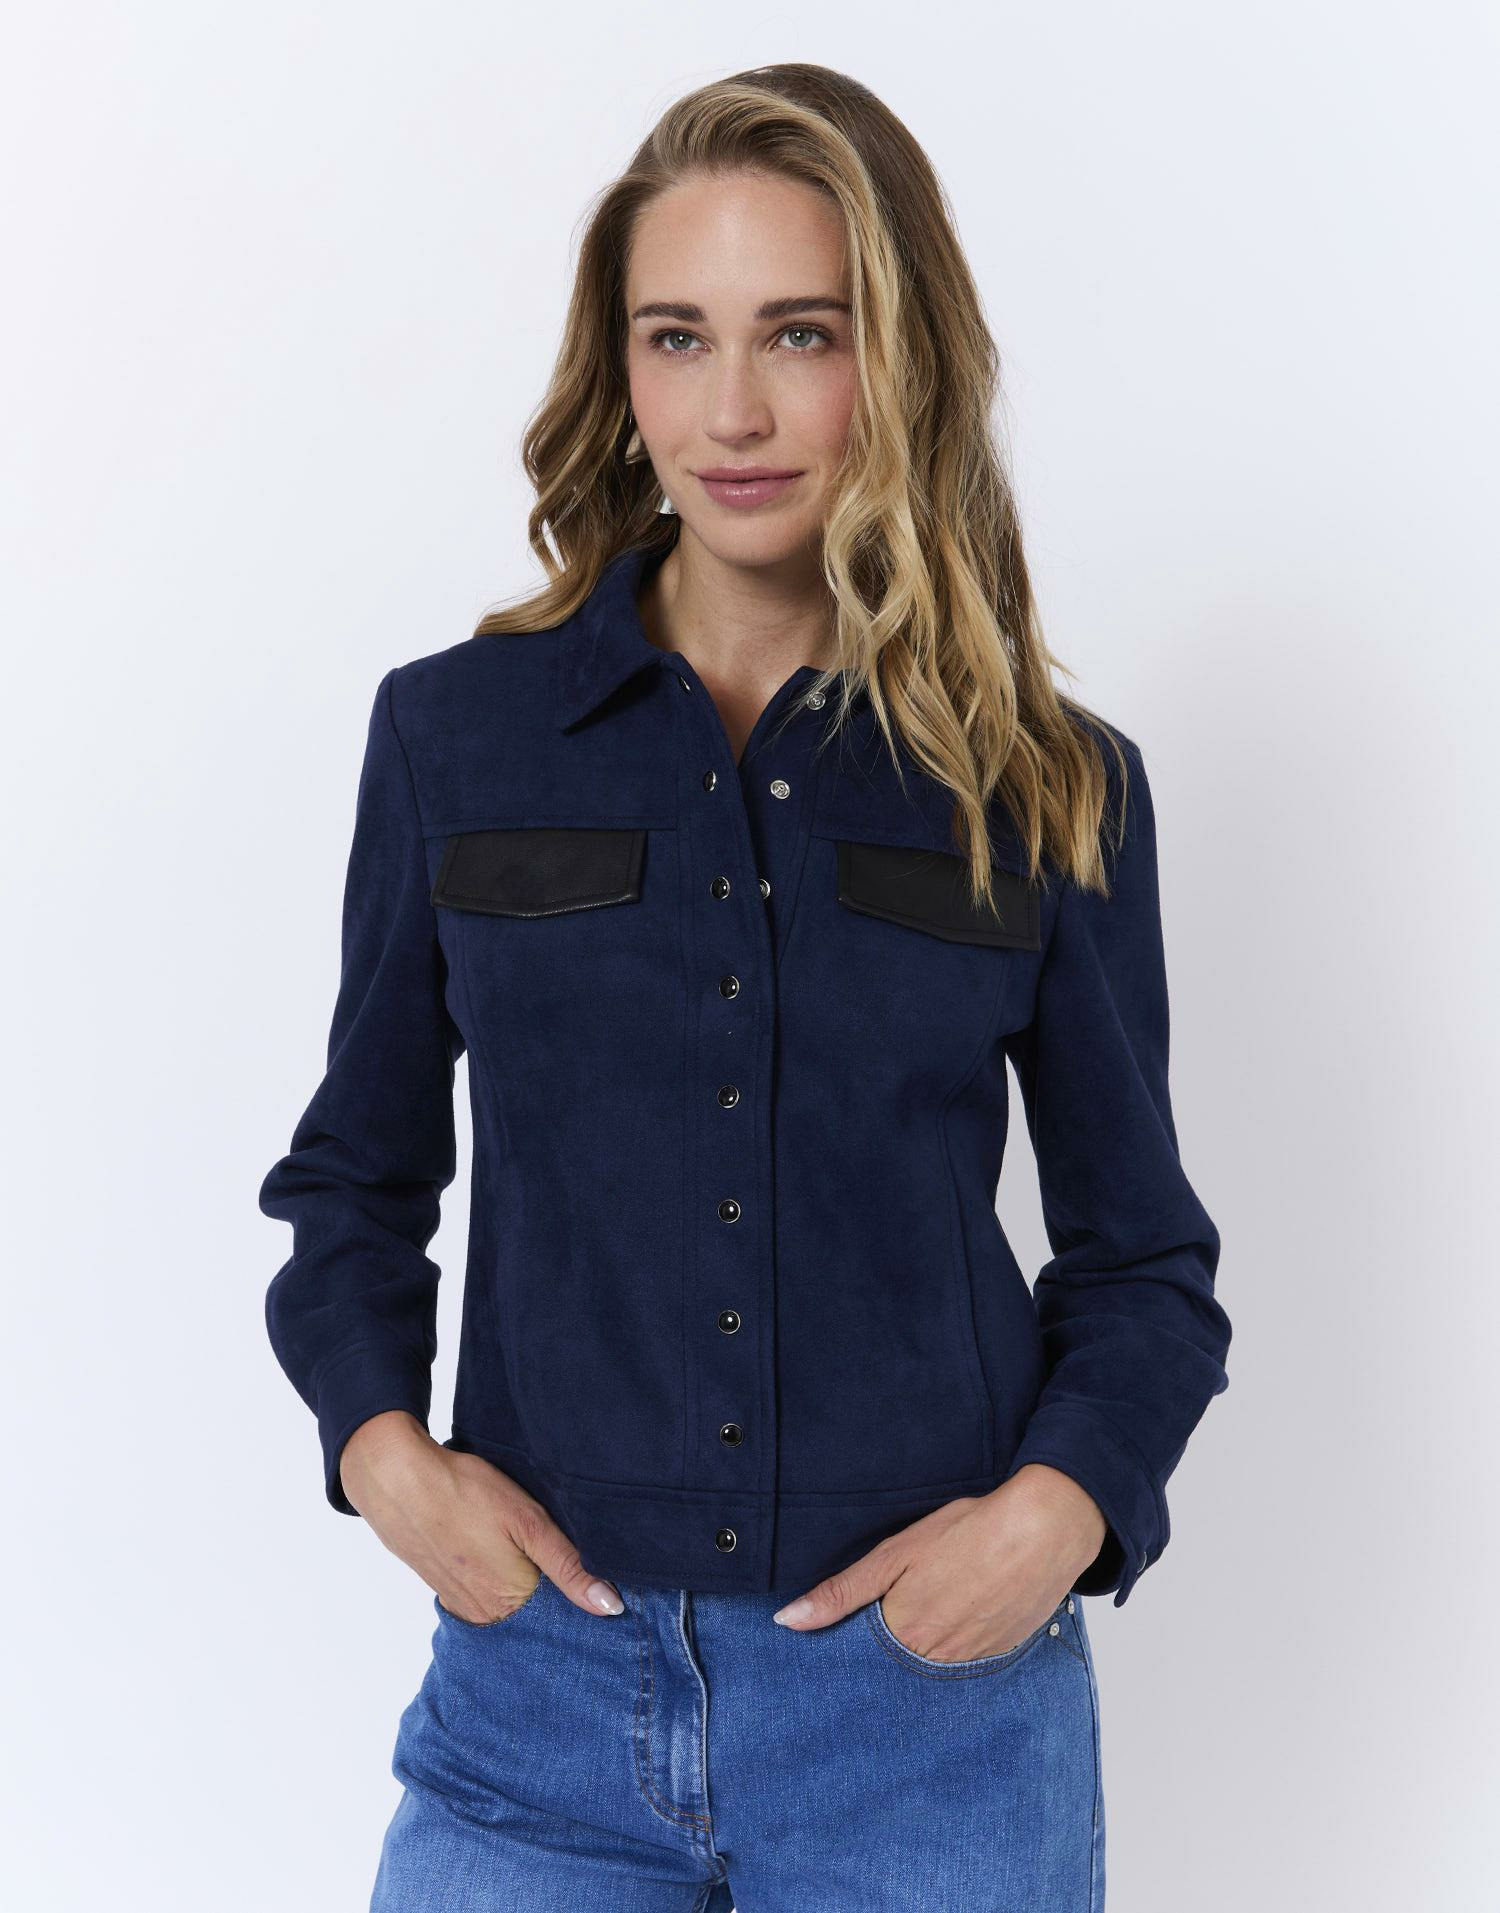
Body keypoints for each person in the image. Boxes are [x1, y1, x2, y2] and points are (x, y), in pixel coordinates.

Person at [258, 61, 1231, 1913]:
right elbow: (353, 1182)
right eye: (677, 337)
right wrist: (387, 1458)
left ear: (901, 359)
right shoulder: (456, 739)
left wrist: (1055, 1516)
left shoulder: (1048, 785)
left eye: (803, 333)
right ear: (619, 369)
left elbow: (1146, 1264)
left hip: (928, 1728)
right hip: (532, 1714)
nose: (735, 410)